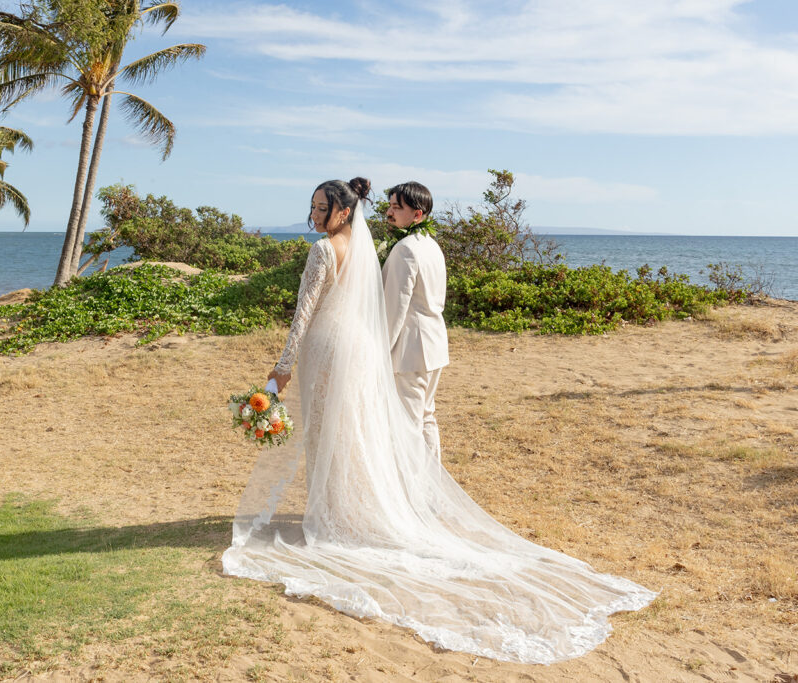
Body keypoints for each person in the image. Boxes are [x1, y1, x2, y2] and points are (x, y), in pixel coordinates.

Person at [223, 177, 655, 664]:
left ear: (343, 212)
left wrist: (281, 369)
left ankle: (357, 509)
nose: (315, 212)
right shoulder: (404, 247)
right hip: (390, 347)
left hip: (342, 350)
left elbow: (319, 314)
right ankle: (357, 504)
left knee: (340, 433)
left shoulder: (331, 251)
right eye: (314, 205)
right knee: (365, 432)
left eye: (322, 206)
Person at [381, 181, 449, 460]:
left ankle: (413, 494)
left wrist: (381, 350)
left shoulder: (406, 249)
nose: (389, 212)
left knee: (407, 424)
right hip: (434, 344)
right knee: (426, 417)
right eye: (390, 205)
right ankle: (432, 485)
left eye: (397, 207)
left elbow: (394, 308)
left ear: (417, 214)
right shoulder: (432, 246)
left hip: (411, 349)